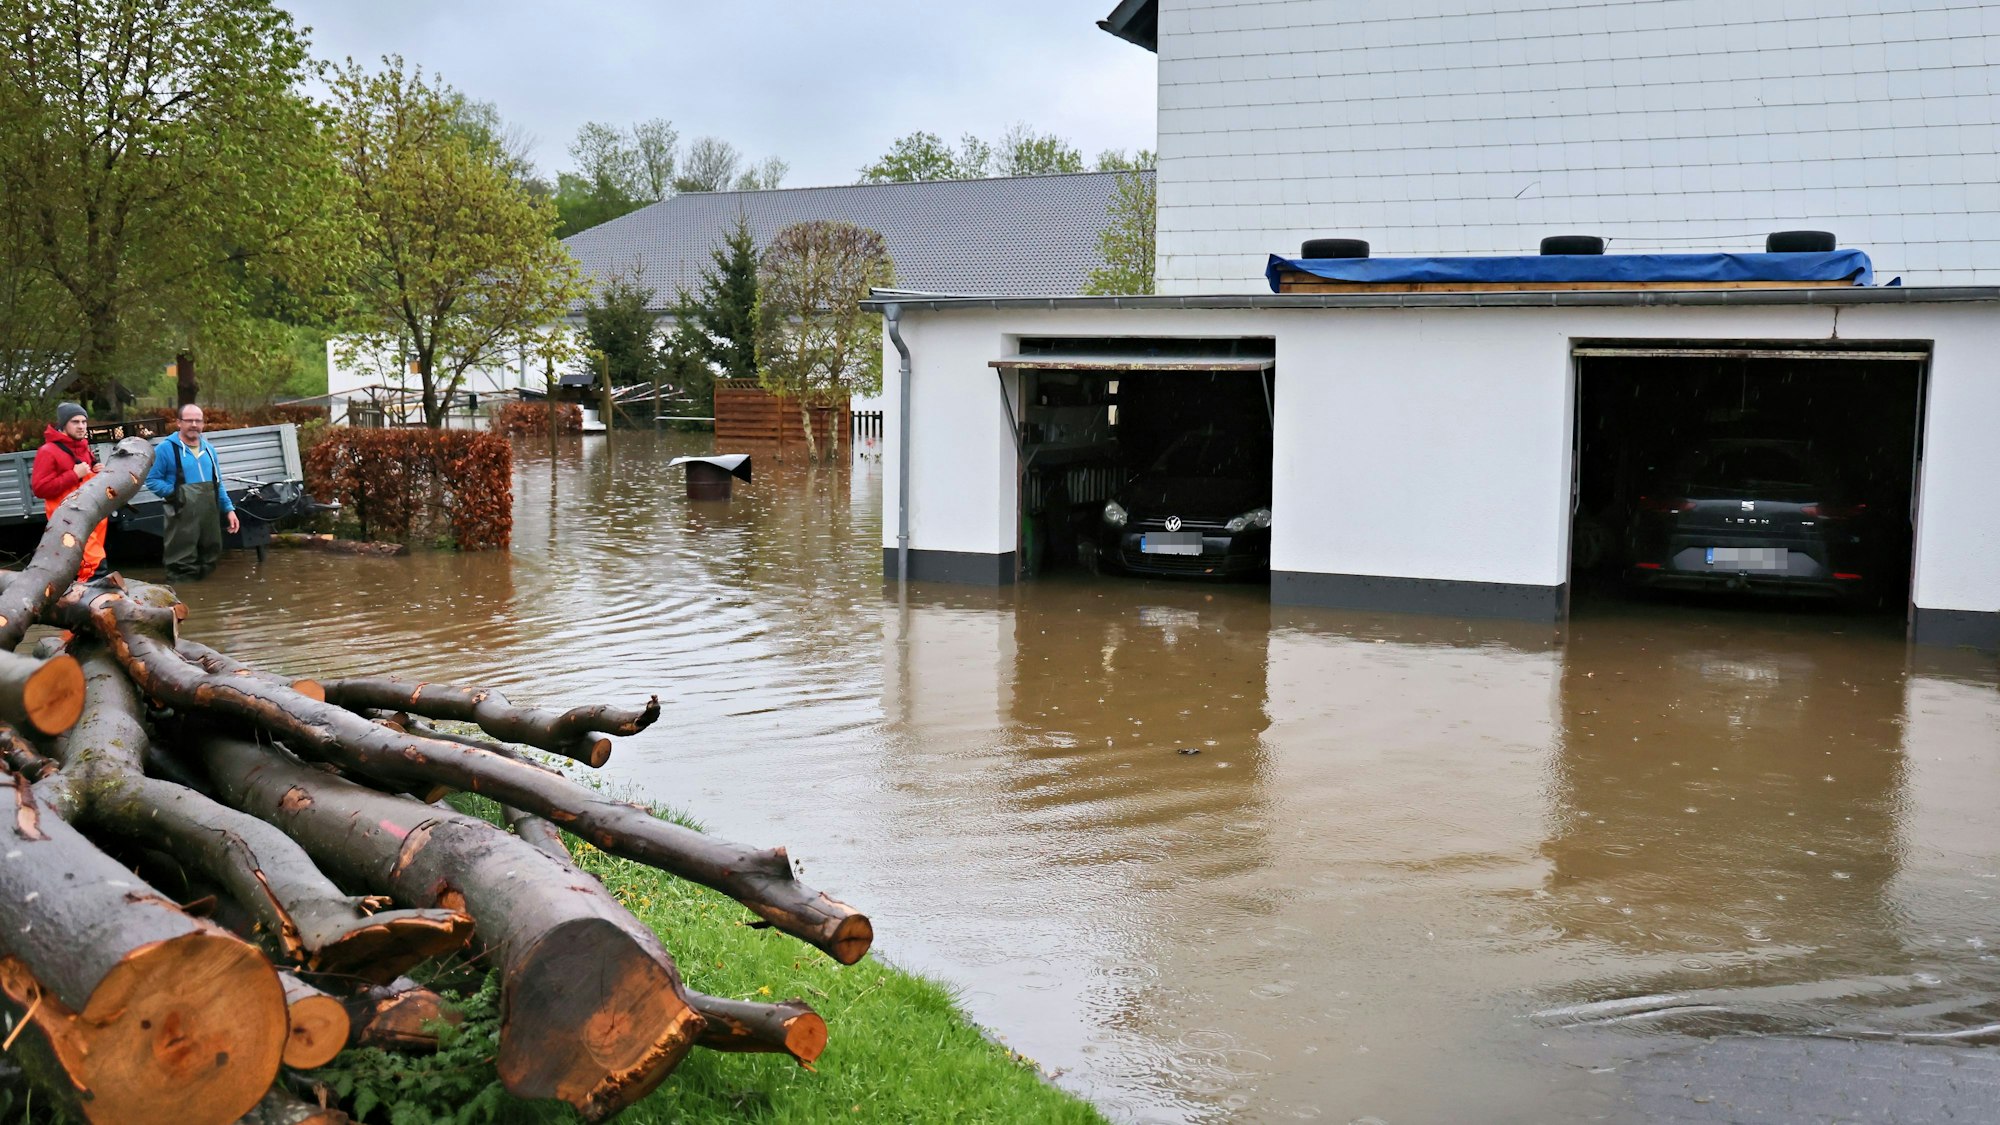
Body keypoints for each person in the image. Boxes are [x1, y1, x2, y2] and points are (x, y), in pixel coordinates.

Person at [145, 403, 239, 582]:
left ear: (203, 424)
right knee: (181, 562)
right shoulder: (165, 449)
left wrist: (229, 509)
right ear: (179, 423)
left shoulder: (209, 450)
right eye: (189, 420)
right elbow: (151, 479)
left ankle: (205, 600)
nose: (194, 424)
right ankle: (185, 598)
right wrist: (176, 494)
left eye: (198, 420)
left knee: (210, 557)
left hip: (208, 515)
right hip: (180, 514)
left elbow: (217, 483)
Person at [30, 402, 109, 581]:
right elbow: (40, 488)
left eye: (84, 422)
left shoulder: (83, 447)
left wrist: (97, 471)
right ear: (63, 424)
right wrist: (73, 474)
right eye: (75, 422)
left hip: (92, 519)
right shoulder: (47, 451)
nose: (81, 426)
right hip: (69, 520)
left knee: (90, 567)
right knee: (93, 567)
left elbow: (85, 479)